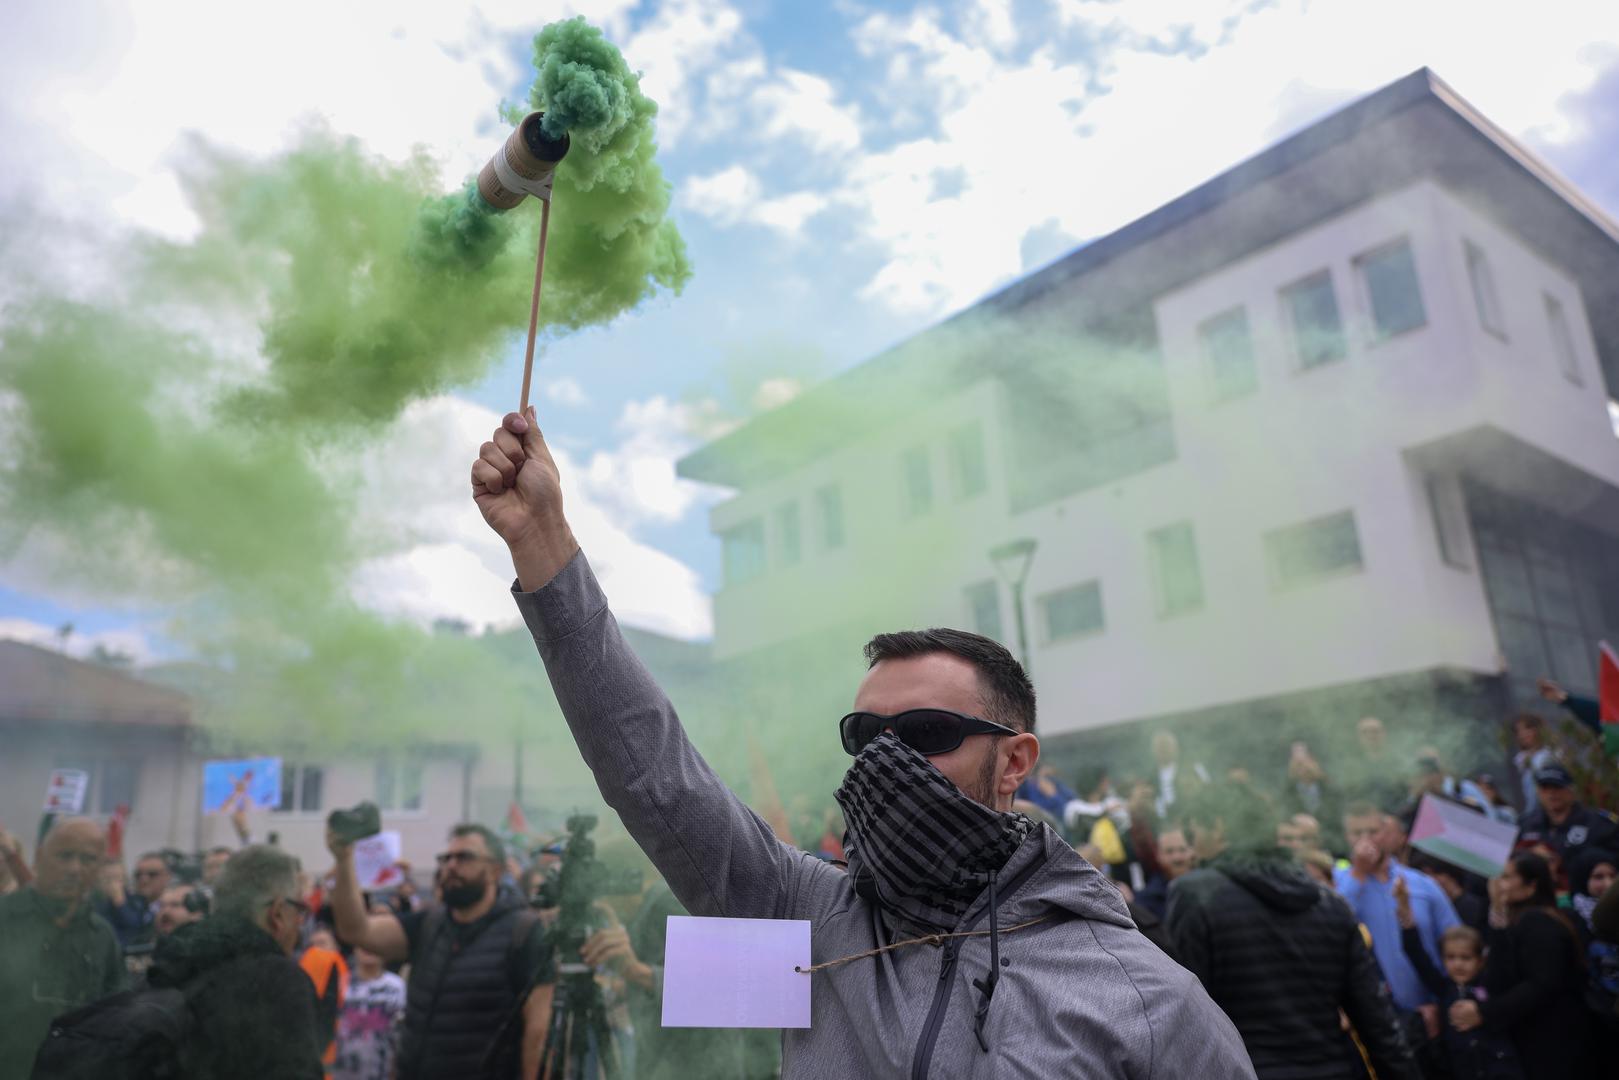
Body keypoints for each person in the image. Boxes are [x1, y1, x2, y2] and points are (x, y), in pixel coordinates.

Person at [471, 407, 1255, 1078]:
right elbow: (652, 771)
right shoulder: (807, 913)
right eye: (865, 736)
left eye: (925, 734)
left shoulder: (1147, 999)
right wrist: (543, 542)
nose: (886, 761)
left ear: (1014, 761)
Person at [1166, 785, 1417, 1079]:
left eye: (1194, 834)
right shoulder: (1330, 903)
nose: (1192, 850)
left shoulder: (1196, 894)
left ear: (1219, 827)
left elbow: (1188, 1015)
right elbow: (1380, 1027)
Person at [327, 823, 556, 1080]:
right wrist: (344, 859)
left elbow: (538, 1033)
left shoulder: (523, 932)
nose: (451, 866)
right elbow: (356, 930)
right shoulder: (428, 925)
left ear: (495, 871)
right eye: (446, 858)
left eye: (464, 857)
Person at [141, 842, 324, 1078]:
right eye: (299, 910)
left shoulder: (169, 964)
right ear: (277, 913)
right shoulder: (278, 982)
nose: (300, 925)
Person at [0, 818, 125, 1077]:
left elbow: (117, 1019)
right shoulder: (4, 921)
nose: (75, 869)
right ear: (38, 857)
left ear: (100, 867)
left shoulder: (102, 936)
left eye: (88, 859)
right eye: (65, 856)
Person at [1449, 854, 1591, 1079]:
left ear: (1531, 885)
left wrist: (1485, 1013)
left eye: (1506, 877)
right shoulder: (1520, 918)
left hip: (1551, 1040)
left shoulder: (1539, 923)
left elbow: (1541, 984)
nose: (1497, 883)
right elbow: (1499, 973)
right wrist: (1497, 911)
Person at [1334, 804, 1461, 1019]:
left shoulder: (1421, 884)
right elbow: (1335, 923)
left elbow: (1455, 939)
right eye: (1357, 833)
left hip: (1435, 1009)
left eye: (1373, 832)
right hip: (1377, 1016)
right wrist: (1359, 872)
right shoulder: (1339, 884)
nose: (1366, 840)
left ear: (1386, 833)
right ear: (1347, 837)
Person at [1394, 878, 1523, 1080]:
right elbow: (1416, 954)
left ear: (1480, 961)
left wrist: (1498, 906)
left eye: (1466, 958)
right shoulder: (1445, 988)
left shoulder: (1490, 984)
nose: (1458, 964)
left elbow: (1501, 952)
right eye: (1451, 958)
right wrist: (1404, 909)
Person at [1515, 762, 1619, 869]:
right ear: (1538, 792)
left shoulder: (1597, 823)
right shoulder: (1525, 824)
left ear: (1570, 790)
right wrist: (1530, 855)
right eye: (1545, 788)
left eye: (1557, 787)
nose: (1552, 793)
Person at [1566, 846, 1619, 1047]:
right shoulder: (1571, 919)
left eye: (1613, 876)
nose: (1607, 883)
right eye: (1598, 877)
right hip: (1590, 1016)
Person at [334, 944, 408, 1080]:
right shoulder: (340, 984)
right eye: (363, 941)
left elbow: (402, 1036)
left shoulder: (396, 987)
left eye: (374, 942)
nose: (369, 946)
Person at [1135, 826, 1194, 919]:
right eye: (1169, 851)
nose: (1177, 858)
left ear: (1192, 852)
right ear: (1158, 856)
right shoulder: (1147, 900)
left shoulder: (1209, 886)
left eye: (1182, 849)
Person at [1151, 731, 1210, 818]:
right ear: (1154, 750)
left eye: (1166, 745)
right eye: (1160, 747)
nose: (1164, 749)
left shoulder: (1193, 766)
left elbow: (1208, 789)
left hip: (1193, 816)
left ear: (1175, 747)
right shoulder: (1152, 776)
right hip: (1165, 822)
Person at [1508, 714, 1556, 813]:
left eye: (1527, 728)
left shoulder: (1551, 755)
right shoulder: (1518, 760)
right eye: (1518, 731)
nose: (1523, 734)